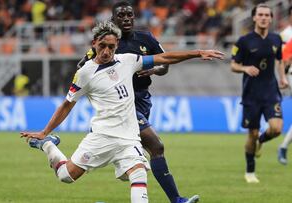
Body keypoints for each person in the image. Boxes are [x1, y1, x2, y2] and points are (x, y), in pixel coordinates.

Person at [20, 21, 223, 203]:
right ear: (94, 44)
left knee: (139, 173)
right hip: (102, 137)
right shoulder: (84, 73)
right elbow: (66, 104)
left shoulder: (128, 60)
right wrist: (44, 132)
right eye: (102, 46)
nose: (106, 51)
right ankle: (48, 145)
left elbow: (164, 57)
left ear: (117, 45)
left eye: (111, 46)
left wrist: (197, 53)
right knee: (66, 175)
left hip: (129, 138)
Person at [77, 2, 197, 202]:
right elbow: (84, 67)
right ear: (113, 19)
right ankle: (176, 199)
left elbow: (164, 64)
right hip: (121, 103)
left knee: (133, 159)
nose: (125, 18)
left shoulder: (146, 38)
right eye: (121, 15)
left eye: (129, 15)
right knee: (156, 146)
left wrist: (154, 69)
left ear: (134, 17)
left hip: (142, 100)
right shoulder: (108, 43)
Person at [231, 4, 289, 183]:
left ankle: (262, 142)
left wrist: (283, 78)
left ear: (271, 18)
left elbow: (279, 60)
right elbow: (233, 65)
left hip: (271, 91)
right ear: (254, 18)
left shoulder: (276, 39)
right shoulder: (244, 41)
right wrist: (245, 68)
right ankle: (250, 172)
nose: (264, 18)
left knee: (277, 129)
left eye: (267, 15)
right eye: (260, 15)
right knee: (252, 134)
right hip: (251, 94)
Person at [277, 5, 292, 165]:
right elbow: (281, 58)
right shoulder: (285, 34)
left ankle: (283, 146)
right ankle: (283, 146)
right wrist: (283, 77)